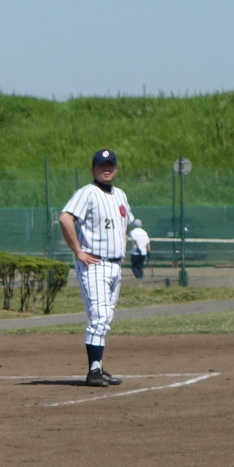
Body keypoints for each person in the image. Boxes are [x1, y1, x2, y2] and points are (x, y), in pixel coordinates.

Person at [58, 149, 133, 386]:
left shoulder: (120, 195)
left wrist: (121, 249)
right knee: (99, 317)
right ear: (93, 169)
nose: (106, 169)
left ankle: (98, 366)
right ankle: (93, 371)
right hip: (94, 264)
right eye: (101, 166)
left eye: (110, 165)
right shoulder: (87, 193)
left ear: (116, 169)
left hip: (114, 265)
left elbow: (125, 225)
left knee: (106, 317)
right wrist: (78, 251)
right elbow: (65, 218)